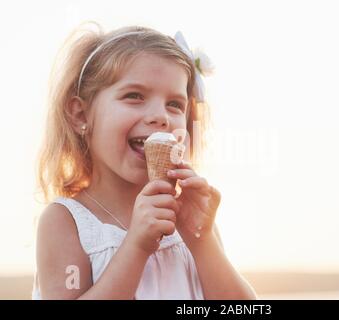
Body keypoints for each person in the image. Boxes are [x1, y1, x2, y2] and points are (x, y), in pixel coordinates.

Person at [33, 22, 257, 300]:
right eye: (134, 96)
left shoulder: (189, 220)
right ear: (81, 115)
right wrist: (136, 247)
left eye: (175, 104)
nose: (160, 116)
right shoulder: (66, 222)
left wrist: (202, 241)